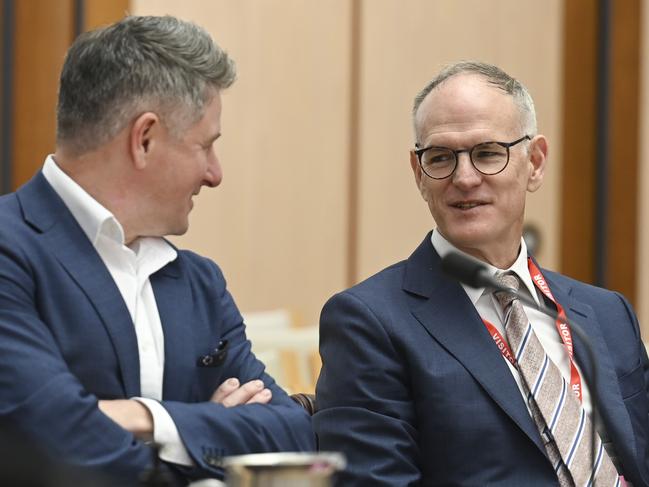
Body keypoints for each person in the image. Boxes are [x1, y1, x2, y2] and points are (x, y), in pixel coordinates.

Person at [0, 15, 314, 486]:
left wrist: (145, 419)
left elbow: (291, 432)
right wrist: (200, 439)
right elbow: (56, 443)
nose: (215, 174)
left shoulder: (199, 283)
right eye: (206, 147)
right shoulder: (10, 251)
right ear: (144, 138)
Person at [313, 61, 649, 486]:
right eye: (441, 157)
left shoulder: (607, 313)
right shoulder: (370, 322)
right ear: (419, 174)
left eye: (488, 153)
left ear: (536, 162)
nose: (465, 178)